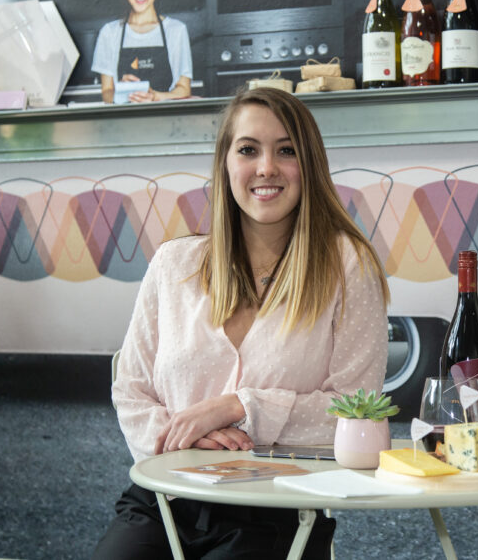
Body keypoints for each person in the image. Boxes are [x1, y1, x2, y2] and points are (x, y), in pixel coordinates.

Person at [92, 87, 390, 559]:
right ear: (227, 164)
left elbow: (357, 414)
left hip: (280, 509)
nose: (266, 167)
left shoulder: (348, 266)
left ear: (308, 165)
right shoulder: (174, 264)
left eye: (286, 150)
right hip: (166, 499)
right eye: (248, 149)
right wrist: (189, 437)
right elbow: (130, 390)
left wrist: (237, 406)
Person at [91, 0, 193, 103]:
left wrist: (155, 97)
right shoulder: (109, 33)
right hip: (124, 122)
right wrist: (122, 91)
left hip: (166, 120)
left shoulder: (176, 30)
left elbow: (184, 88)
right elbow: (107, 92)